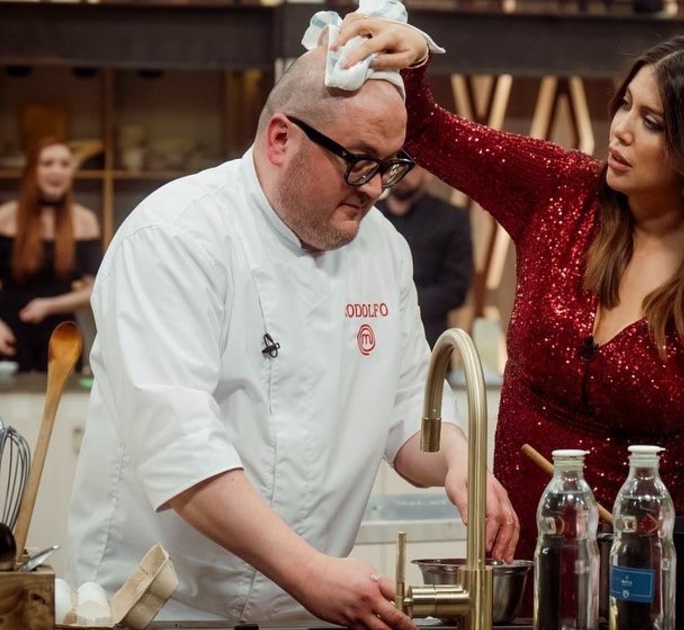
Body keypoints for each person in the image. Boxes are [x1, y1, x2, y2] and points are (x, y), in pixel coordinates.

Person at [66, 47, 517, 629]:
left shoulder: (382, 249)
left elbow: (407, 411)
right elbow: (180, 450)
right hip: (162, 607)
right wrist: (309, 572)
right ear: (281, 139)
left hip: (302, 612)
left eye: (390, 166)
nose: (375, 189)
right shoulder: (174, 236)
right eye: (359, 162)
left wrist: (457, 460)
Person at [334, 21, 684, 564]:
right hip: (520, 554)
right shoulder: (562, 191)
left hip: (648, 563)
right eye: (625, 104)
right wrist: (414, 61)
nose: (620, 129)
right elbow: (428, 132)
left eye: (651, 122)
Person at [0, 137, 102, 372]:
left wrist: (48, 306)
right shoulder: (4, 216)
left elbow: (95, 288)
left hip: (62, 340)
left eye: (64, 164)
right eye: (47, 163)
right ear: (31, 171)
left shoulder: (85, 221)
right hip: (8, 336)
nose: (57, 171)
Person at [377, 165, 473, 347]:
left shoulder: (451, 219)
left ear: (428, 172)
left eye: (410, 167)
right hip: (369, 332)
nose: (402, 174)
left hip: (425, 339)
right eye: (396, 165)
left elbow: (456, 289)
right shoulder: (368, 215)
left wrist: (400, 303)